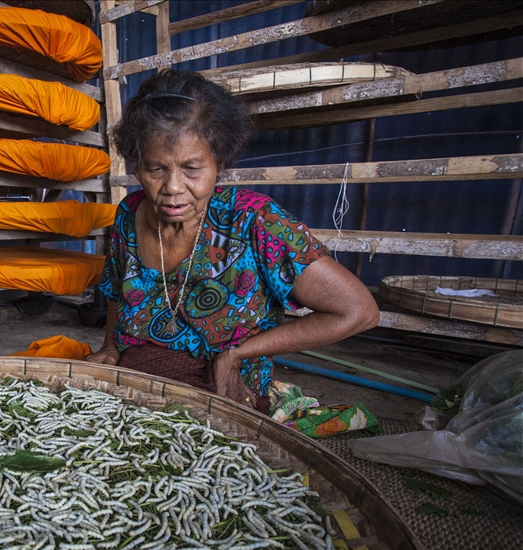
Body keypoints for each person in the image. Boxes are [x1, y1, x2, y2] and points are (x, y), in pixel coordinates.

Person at [85, 69, 380, 413]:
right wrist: (110, 345)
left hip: (220, 382)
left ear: (219, 163)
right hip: (134, 376)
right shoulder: (129, 214)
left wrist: (238, 353)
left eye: (192, 168)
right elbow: (113, 292)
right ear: (137, 166)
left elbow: (359, 312)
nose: (173, 187)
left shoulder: (255, 221)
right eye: (155, 169)